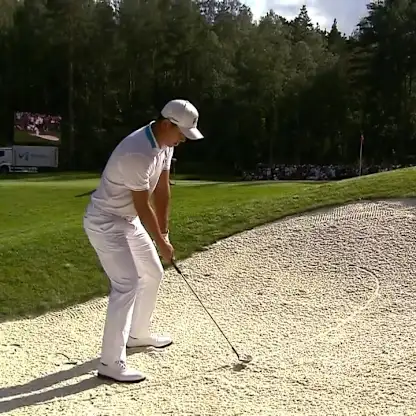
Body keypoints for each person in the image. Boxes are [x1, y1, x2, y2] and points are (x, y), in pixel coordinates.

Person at [83, 99, 204, 382]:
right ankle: (110, 363)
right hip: (105, 221)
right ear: (166, 124)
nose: (183, 140)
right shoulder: (138, 152)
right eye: (181, 134)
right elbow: (141, 205)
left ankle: (137, 334)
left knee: (152, 272)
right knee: (126, 284)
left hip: (127, 220)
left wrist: (165, 233)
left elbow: (161, 189)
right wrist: (161, 243)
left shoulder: (166, 145)